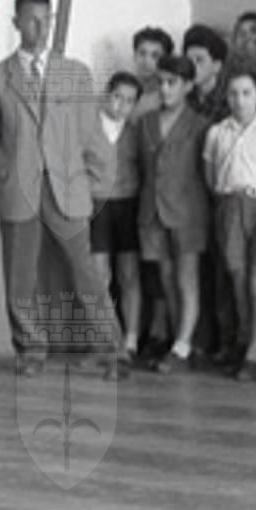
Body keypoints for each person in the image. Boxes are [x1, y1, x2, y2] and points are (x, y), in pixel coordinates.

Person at [0, 0, 116, 374]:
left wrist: (96, 184)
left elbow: (89, 134)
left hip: (68, 186)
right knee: (20, 276)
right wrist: (11, 162)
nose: (40, 28)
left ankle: (110, 347)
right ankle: (30, 350)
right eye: (32, 20)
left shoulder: (75, 73)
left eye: (46, 20)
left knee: (86, 271)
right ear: (16, 23)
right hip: (18, 186)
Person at [203, 64, 256, 381]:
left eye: (246, 93)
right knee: (238, 281)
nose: (239, 100)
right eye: (233, 94)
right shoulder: (217, 133)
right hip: (230, 204)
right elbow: (211, 176)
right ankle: (243, 340)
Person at [134, 54, 211, 373]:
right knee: (166, 278)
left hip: (188, 211)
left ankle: (182, 345)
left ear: (188, 86)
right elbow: (141, 167)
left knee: (186, 277)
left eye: (172, 83)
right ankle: (182, 343)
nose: (165, 89)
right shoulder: (145, 122)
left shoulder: (200, 125)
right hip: (152, 210)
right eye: (161, 82)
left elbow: (206, 172)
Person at [89, 72, 144, 371]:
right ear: (106, 94)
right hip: (96, 205)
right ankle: (110, 339)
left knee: (129, 274)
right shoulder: (88, 127)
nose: (121, 105)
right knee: (100, 276)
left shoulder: (136, 133)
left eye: (129, 101)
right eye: (117, 97)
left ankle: (131, 340)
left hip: (128, 205)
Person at [131, 27, 173, 114]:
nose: (146, 61)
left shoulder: (171, 97)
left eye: (155, 56)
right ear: (134, 56)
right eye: (142, 53)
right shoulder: (119, 91)